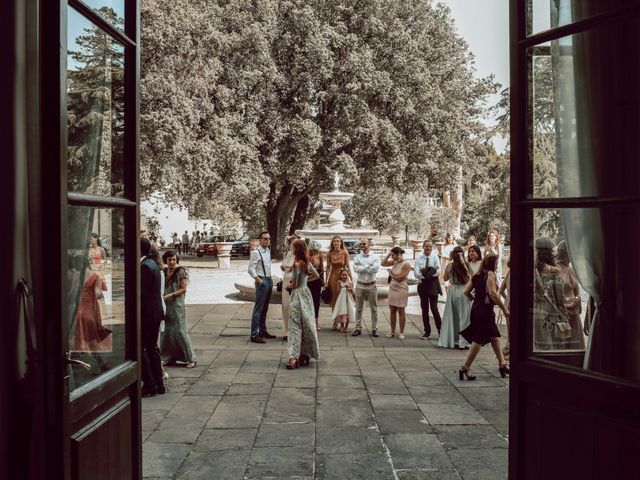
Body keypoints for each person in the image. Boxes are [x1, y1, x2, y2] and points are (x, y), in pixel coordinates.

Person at [458, 254, 510, 381]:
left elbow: (466, 291)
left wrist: (475, 299)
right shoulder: (490, 274)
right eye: (496, 263)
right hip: (485, 311)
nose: (497, 265)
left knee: (495, 337)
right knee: (478, 341)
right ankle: (465, 368)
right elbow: (492, 293)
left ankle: (502, 364)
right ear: (492, 264)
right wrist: (504, 309)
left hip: (477, 309)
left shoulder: (477, 275)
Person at [533, 237, 574, 350]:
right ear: (550, 252)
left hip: (536, 309)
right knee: (553, 343)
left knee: (539, 343)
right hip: (550, 310)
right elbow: (559, 296)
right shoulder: (554, 270)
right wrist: (564, 311)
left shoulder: (533, 269)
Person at [285, 239, 320, 369]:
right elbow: (316, 276)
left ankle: (294, 357)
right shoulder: (307, 262)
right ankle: (305, 354)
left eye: (292, 247)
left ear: (296, 249)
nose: (291, 249)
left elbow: (293, 284)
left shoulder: (296, 265)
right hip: (306, 294)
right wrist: (305, 282)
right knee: (307, 324)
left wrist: (288, 286)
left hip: (297, 295)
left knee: (295, 325)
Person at [160, 250, 196, 368]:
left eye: (174, 260)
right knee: (167, 331)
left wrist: (171, 295)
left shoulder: (180, 271)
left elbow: (183, 288)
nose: (172, 262)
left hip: (177, 305)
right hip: (166, 305)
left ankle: (191, 358)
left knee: (180, 330)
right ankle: (167, 356)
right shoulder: (164, 272)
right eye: (170, 260)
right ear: (165, 260)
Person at [140, 236, 166, 397]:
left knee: (142, 348)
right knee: (152, 348)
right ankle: (159, 383)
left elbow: (142, 294)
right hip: (155, 313)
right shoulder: (153, 264)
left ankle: (149, 384)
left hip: (147, 315)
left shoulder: (144, 266)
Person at [71, 255, 112, 353]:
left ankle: (74, 360)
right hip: (90, 311)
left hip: (77, 310)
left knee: (77, 336)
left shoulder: (75, 275)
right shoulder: (95, 276)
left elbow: (72, 293)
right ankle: (102, 363)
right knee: (91, 339)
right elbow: (99, 294)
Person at [438, 246, 472, 349]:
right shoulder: (467, 265)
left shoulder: (450, 266)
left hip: (452, 291)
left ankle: (451, 340)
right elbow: (470, 277)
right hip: (464, 290)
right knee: (464, 317)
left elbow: (444, 278)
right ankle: (463, 342)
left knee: (451, 316)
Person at [555, 242, 586, 349]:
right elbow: (555, 293)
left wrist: (577, 299)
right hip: (563, 313)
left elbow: (577, 289)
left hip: (574, 313)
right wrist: (568, 304)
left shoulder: (571, 269)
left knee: (576, 344)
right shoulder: (556, 269)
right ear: (565, 254)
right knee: (564, 344)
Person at [247, 231, 275, 343]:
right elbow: (250, 269)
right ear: (260, 240)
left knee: (265, 308)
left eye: (268, 238)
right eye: (265, 238)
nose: (267, 240)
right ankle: (254, 334)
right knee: (259, 308)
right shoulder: (256, 252)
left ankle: (262, 331)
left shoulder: (268, 251)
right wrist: (258, 280)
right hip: (262, 280)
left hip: (269, 279)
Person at [352, 238, 380, 337]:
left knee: (374, 308)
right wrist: (369, 266)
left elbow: (375, 269)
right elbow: (355, 269)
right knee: (358, 308)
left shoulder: (375, 256)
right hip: (360, 284)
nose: (362, 245)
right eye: (361, 244)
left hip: (372, 285)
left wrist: (362, 267)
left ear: (369, 245)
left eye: (364, 244)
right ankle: (358, 328)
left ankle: (374, 329)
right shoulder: (357, 257)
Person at [382, 246, 412, 340]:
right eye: (392, 256)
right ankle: (392, 331)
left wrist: (390, 274)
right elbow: (382, 263)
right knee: (392, 311)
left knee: (401, 311)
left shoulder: (406, 264)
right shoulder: (394, 262)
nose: (392, 258)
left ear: (399, 254)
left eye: (393, 255)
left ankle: (402, 332)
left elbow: (400, 278)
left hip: (401, 288)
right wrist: (388, 254)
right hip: (393, 288)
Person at [414, 241, 442, 339]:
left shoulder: (435, 258)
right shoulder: (418, 258)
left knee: (434, 309)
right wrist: (425, 275)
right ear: (423, 247)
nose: (428, 248)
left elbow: (439, 271)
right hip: (422, 285)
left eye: (430, 246)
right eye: (426, 246)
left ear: (432, 247)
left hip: (433, 285)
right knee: (424, 309)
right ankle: (427, 332)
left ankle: (440, 331)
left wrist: (429, 274)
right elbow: (416, 273)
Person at [325, 235, 351, 309]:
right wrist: (326, 281)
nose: (335, 242)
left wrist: (351, 279)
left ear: (341, 243)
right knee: (334, 297)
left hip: (343, 276)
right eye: (334, 241)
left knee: (343, 296)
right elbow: (328, 267)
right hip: (333, 277)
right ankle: (335, 319)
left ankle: (343, 318)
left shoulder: (345, 253)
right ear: (332, 243)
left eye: (337, 241)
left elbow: (348, 266)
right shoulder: (329, 253)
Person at [280, 235, 297, 341]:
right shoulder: (287, 254)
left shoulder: (299, 256)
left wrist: (290, 268)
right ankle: (285, 331)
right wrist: (283, 267)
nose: (292, 245)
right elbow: (283, 266)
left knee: (294, 308)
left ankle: (294, 331)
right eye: (291, 243)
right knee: (285, 306)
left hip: (295, 283)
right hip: (286, 282)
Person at [332, 268, 356, 333]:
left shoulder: (351, 283)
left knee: (348, 312)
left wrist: (350, 288)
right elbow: (338, 291)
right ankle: (342, 326)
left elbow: (353, 292)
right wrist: (340, 286)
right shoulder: (339, 282)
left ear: (348, 275)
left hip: (349, 300)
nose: (344, 276)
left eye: (346, 275)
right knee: (342, 312)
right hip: (342, 300)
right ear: (340, 275)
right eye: (343, 275)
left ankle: (346, 326)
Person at [307, 241, 324, 330]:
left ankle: (316, 321)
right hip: (308, 280)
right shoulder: (307, 255)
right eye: (313, 250)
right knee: (308, 300)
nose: (315, 252)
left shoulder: (319, 254)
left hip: (317, 279)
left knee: (316, 301)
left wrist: (323, 281)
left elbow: (321, 268)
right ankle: (309, 321)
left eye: (316, 250)